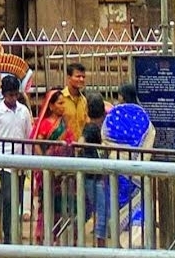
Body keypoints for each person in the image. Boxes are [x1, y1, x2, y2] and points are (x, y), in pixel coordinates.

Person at [0, 73, 32, 242]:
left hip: (20, 160)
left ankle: (14, 231)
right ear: (3, 94)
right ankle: (7, 235)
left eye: (15, 94)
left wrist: (28, 160)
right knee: (8, 198)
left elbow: (28, 136)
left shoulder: (24, 111)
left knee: (17, 199)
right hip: (3, 160)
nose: (13, 98)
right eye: (10, 95)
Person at [101, 84, 156, 227]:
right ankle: (136, 235)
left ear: (122, 96)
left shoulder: (115, 114)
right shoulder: (143, 115)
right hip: (138, 170)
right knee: (136, 203)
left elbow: (105, 137)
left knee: (118, 201)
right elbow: (150, 136)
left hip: (117, 167)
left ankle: (117, 234)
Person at [33, 88, 73, 243]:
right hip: (49, 170)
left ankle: (58, 234)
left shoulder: (64, 123)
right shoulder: (45, 124)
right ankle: (42, 235)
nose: (63, 106)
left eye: (64, 103)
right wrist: (45, 162)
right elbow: (37, 144)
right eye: (60, 103)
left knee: (60, 203)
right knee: (47, 203)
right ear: (50, 106)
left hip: (63, 169)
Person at [81, 94, 109, 245]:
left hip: (93, 175)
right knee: (102, 209)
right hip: (93, 176)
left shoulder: (95, 128)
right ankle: (100, 242)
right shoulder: (92, 128)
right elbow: (81, 142)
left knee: (91, 209)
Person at [61, 61, 89, 141]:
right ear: (69, 78)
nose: (81, 79)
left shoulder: (84, 101)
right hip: (64, 148)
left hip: (81, 147)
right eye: (78, 76)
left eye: (83, 77)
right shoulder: (60, 99)